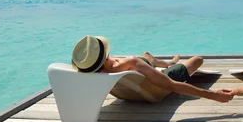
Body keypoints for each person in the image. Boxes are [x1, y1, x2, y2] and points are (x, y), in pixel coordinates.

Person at [72, 35, 233, 103]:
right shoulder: (131, 62)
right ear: (106, 57)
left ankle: (168, 62)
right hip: (156, 89)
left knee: (147, 55)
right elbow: (171, 85)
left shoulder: (91, 71)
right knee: (198, 59)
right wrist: (213, 95)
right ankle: (171, 65)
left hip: (129, 93)